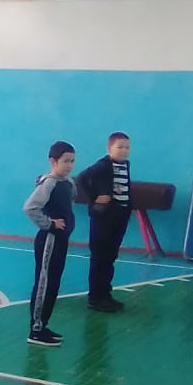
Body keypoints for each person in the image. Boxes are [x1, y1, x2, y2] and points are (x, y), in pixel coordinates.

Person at [23, 141, 78, 347]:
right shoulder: (48, 183)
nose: (70, 165)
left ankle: (43, 324)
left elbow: (68, 204)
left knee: (54, 283)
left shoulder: (69, 182)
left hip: (62, 240)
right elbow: (30, 208)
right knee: (44, 284)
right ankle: (35, 330)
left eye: (72, 161)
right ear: (53, 161)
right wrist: (50, 224)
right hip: (49, 240)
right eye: (66, 161)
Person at [75, 132, 132, 312]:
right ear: (109, 149)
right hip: (104, 217)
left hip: (120, 215)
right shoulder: (103, 165)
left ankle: (105, 294)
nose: (124, 151)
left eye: (127, 147)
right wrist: (94, 198)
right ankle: (95, 297)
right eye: (120, 147)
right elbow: (81, 179)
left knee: (110, 256)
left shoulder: (125, 165)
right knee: (100, 257)